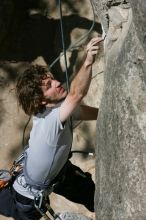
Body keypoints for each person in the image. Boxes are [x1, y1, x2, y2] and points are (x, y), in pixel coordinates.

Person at [0, 36, 103, 220]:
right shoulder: (51, 122)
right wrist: (87, 61)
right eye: (49, 86)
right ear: (42, 100)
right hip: (23, 201)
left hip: (52, 174)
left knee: (91, 193)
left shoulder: (53, 110)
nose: (57, 83)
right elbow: (76, 94)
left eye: (52, 80)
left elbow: (83, 111)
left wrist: (107, 113)